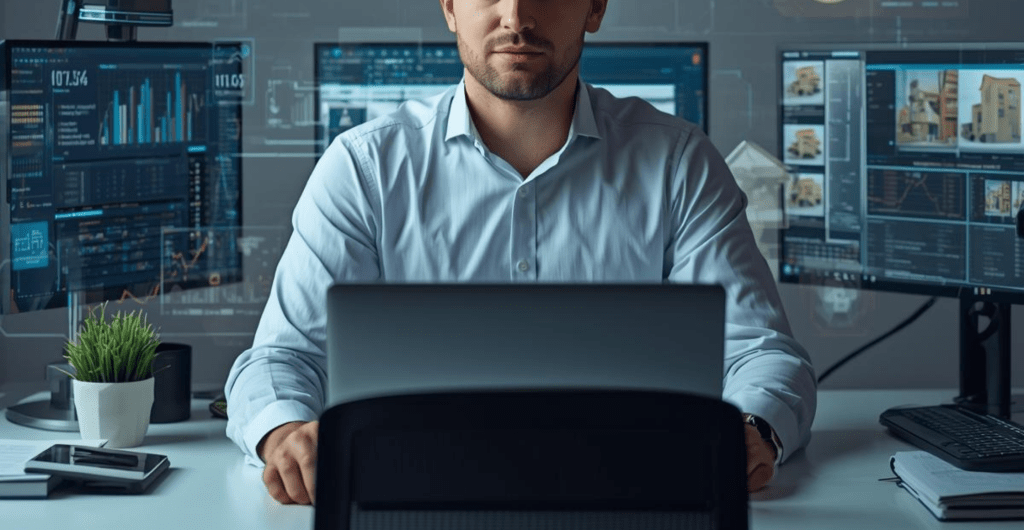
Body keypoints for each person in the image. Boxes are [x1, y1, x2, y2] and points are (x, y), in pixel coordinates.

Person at [225, 0, 817, 505]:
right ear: (450, 6)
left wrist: (752, 426)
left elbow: (762, 353)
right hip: (415, 501)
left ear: (595, 5)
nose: (517, 15)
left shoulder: (679, 164)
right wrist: (284, 433)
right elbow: (280, 357)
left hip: (628, 498)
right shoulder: (364, 169)